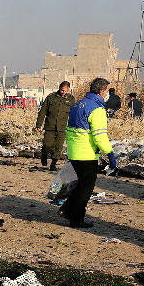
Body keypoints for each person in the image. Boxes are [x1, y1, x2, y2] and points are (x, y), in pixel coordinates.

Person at [63, 77, 116, 229]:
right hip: (87, 153)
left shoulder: (77, 105)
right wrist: (110, 154)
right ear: (101, 91)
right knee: (85, 189)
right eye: (107, 91)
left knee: (79, 186)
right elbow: (99, 136)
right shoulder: (97, 109)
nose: (107, 94)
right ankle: (76, 218)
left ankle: (68, 211)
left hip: (74, 152)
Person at [35, 81, 74, 171]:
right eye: (61, 90)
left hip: (63, 127)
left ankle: (53, 163)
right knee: (47, 144)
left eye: (65, 91)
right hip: (50, 126)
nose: (63, 92)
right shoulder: (51, 97)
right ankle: (44, 155)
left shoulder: (71, 99)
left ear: (68, 90)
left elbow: (73, 113)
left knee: (58, 146)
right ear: (59, 88)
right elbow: (43, 111)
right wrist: (39, 124)